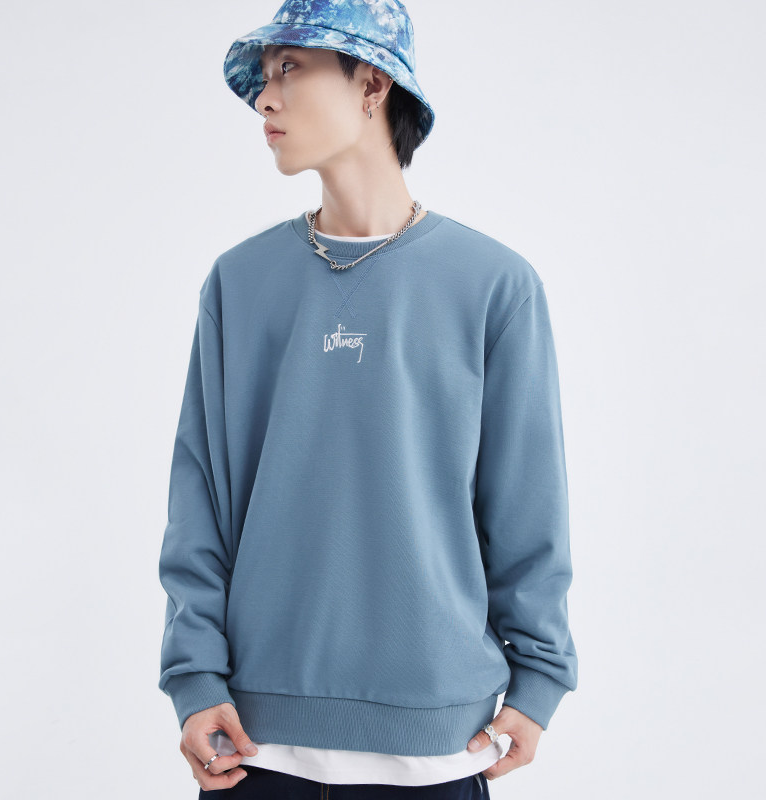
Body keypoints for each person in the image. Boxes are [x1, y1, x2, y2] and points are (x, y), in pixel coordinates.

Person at [157, 1, 578, 797]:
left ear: (372, 84)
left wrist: (539, 680)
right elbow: (200, 501)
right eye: (264, 76)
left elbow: (528, 505)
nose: (265, 98)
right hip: (252, 749)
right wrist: (194, 676)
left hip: (439, 749)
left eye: (291, 69)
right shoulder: (240, 283)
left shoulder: (493, 285)